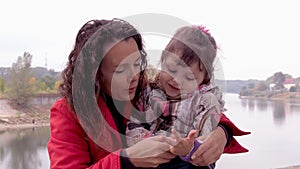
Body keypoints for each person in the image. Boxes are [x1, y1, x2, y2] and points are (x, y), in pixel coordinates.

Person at [48, 18, 249, 169]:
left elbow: (195, 106)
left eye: (137, 64)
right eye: (120, 70)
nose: (133, 76)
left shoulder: (146, 92)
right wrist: (126, 160)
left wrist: (223, 131)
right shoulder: (68, 112)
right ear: (94, 72)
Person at [126, 25, 250, 168]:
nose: (177, 80)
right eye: (172, 70)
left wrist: (188, 148)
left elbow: (208, 144)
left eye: (189, 78)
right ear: (163, 60)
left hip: (189, 160)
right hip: (151, 155)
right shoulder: (148, 91)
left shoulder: (205, 101)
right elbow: (134, 123)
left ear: (204, 79)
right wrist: (147, 141)